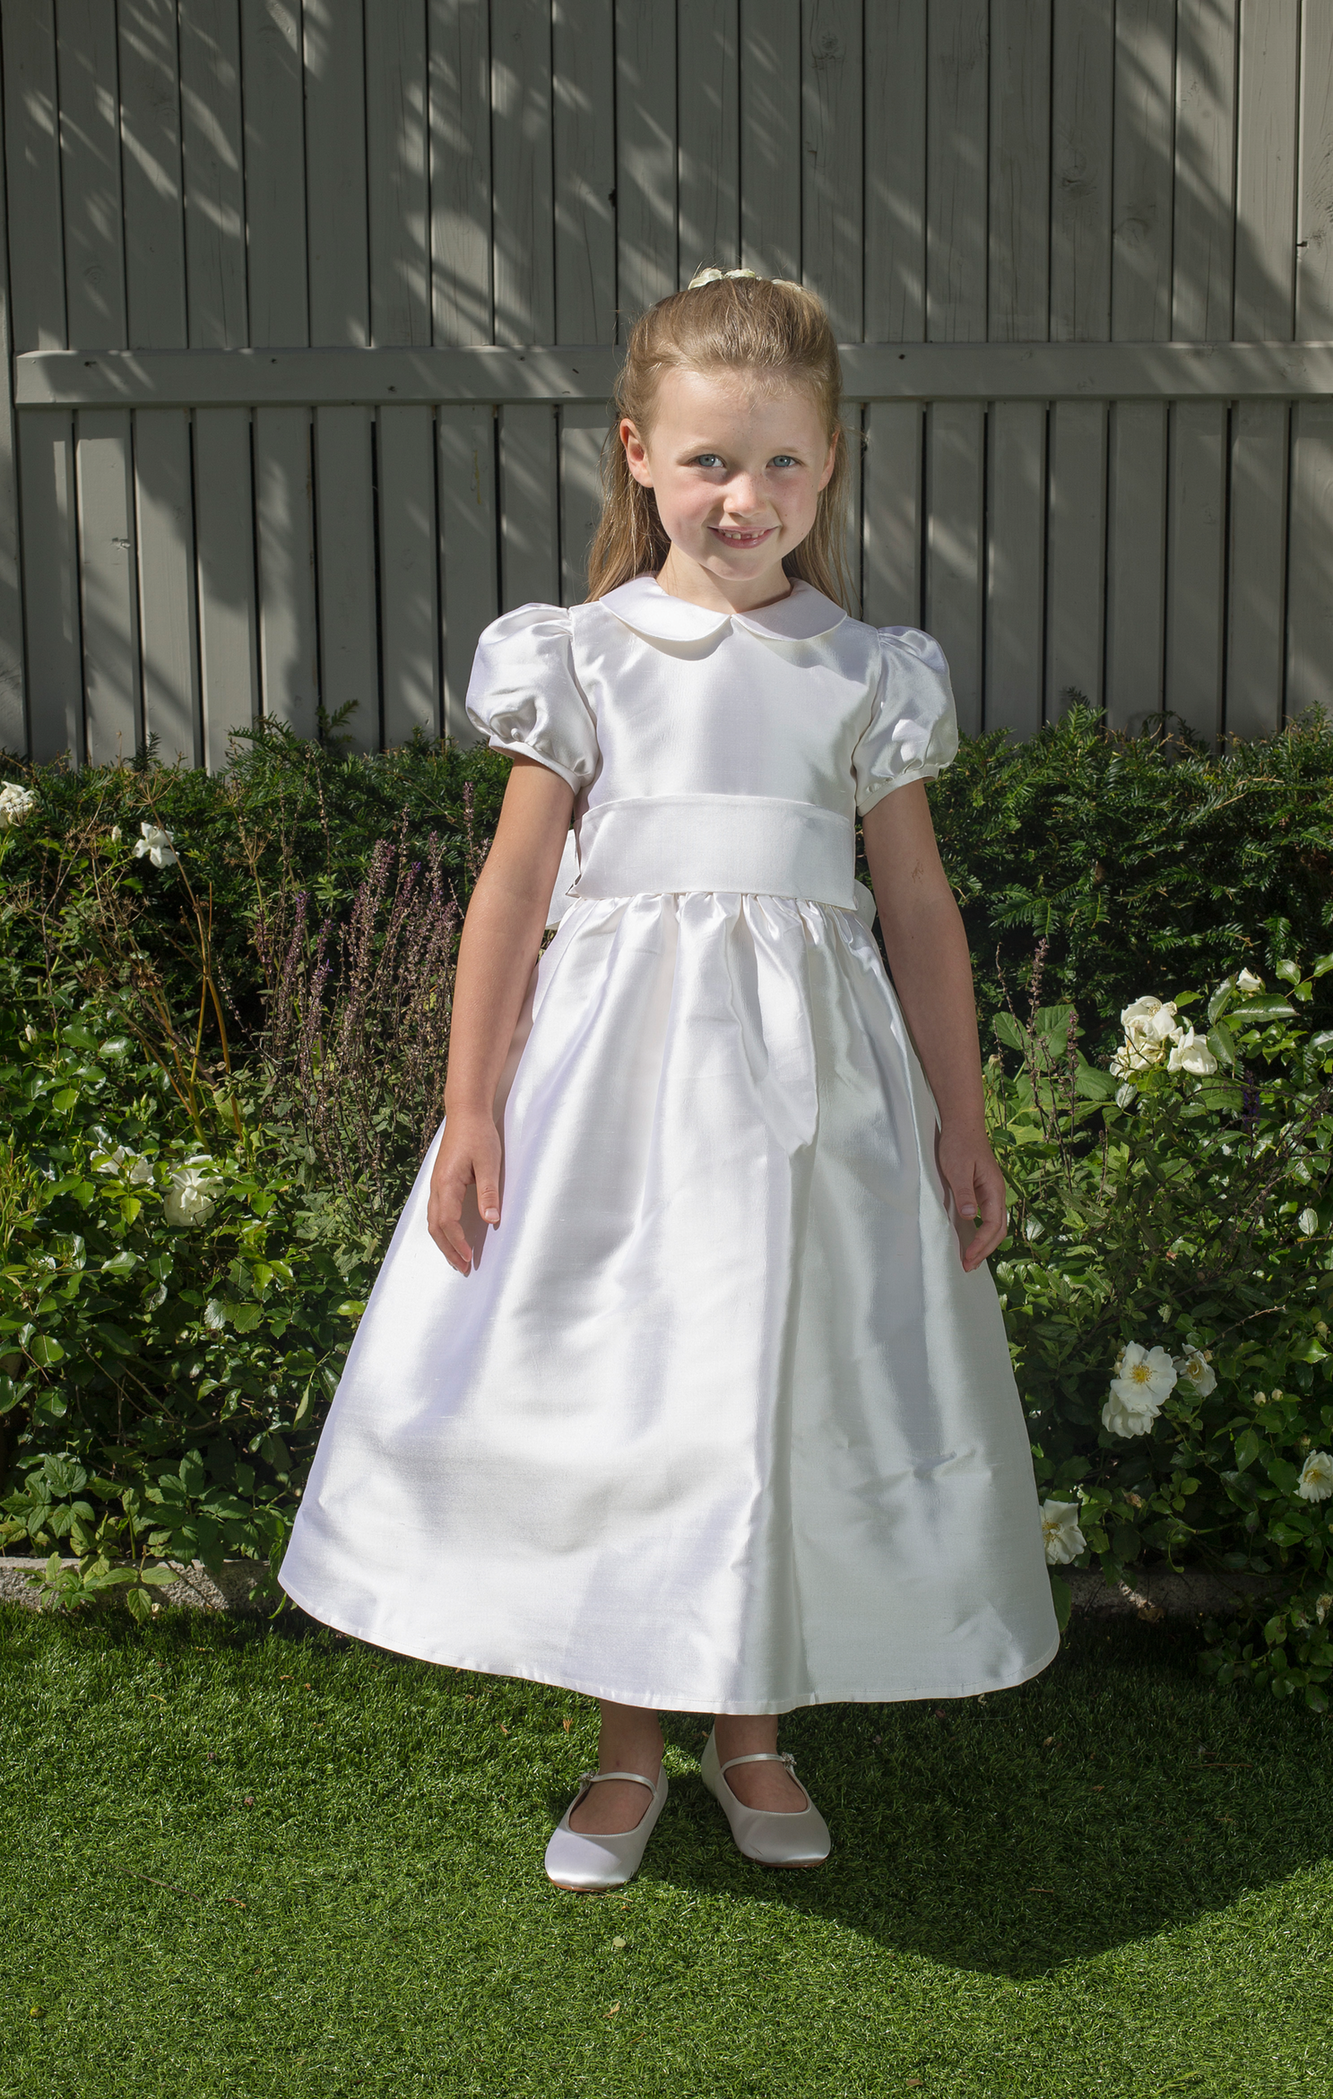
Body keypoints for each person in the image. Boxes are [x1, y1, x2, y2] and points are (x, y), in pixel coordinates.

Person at [278, 266, 1058, 1893]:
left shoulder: (866, 670)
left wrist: (963, 1118)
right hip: (619, 1099)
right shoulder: (583, 656)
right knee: (639, 1399)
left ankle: (752, 1730)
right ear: (637, 454)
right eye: (708, 459)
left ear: (829, 466)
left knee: (778, 1391)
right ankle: (631, 1745)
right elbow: (511, 891)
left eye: (780, 463)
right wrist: (475, 1102)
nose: (744, 497)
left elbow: (915, 907)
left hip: (814, 1111)